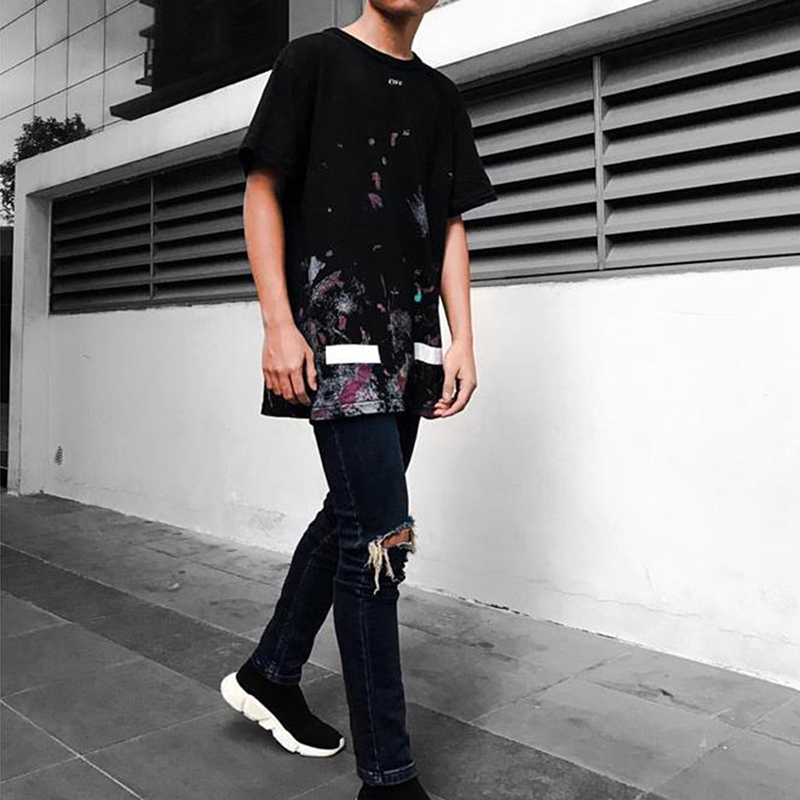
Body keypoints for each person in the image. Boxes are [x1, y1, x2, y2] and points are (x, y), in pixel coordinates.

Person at [219, 2, 497, 798]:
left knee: (352, 518)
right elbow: (264, 190)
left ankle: (272, 672)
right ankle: (389, 776)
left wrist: (463, 340)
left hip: (409, 347)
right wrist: (278, 324)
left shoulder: (441, 97)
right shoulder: (311, 62)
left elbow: (449, 224)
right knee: (381, 541)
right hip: (334, 337)